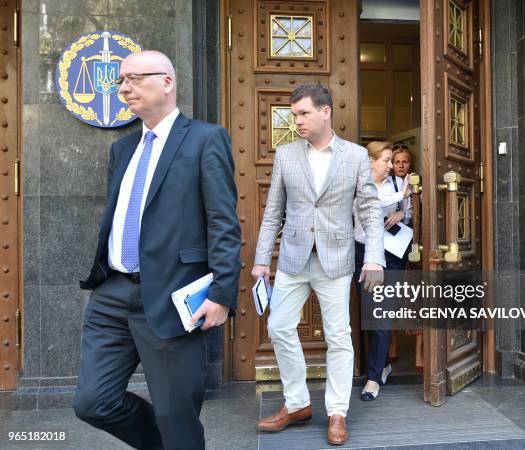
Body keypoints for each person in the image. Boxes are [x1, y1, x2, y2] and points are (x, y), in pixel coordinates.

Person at [73, 50, 241, 449]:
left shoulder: (205, 138)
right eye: (120, 81)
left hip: (171, 294)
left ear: (166, 81)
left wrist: (221, 293)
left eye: (134, 78)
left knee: (175, 414)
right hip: (112, 293)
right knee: (93, 402)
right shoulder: (123, 150)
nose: (124, 87)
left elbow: (222, 220)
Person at [252, 83, 385, 446]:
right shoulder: (286, 155)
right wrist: (262, 261)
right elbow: (273, 212)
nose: (297, 121)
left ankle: (337, 412)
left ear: (326, 111)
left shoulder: (356, 156)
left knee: (339, 337)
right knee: (278, 326)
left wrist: (374, 256)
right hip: (294, 259)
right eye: (294, 115)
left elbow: (371, 212)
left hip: (336, 261)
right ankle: (297, 404)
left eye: (303, 113)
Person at [354, 141, 412, 401]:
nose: (391, 166)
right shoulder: (357, 184)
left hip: (392, 254)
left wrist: (402, 214)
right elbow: (369, 205)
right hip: (364, 254)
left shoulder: (398, 184)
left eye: (392, 160)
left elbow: (410, 212)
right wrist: (401, 198)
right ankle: (382, 364)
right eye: (386, 160)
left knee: (382, 313)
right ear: (370, 161)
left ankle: (374, 377)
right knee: (370, 313)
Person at [392, 145, 424, 372]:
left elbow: (420, 211)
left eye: (405, 161)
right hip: (389, 248)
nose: (401, 165)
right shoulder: (385, 184)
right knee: (391, 297)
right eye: (397, 162)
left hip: (412, 246)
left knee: (415, 300)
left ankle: (420, 352)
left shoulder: (417, 183)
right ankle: (391, 345)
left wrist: (405, 213)